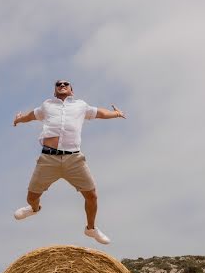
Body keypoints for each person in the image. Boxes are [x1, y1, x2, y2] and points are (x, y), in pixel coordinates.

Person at [12, 79, 126, 245]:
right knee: (31, 197)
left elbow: (99, 113)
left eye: (66, 84)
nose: (62, 85)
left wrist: (116, 113)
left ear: (71, 90)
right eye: (58, 84)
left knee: (92, 195)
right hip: (48, 159)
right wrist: (19, 120)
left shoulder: (80, 105)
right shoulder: (47, 105)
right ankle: (34, 209)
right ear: (55, 90)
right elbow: (31, 116)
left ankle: (91, 229)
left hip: (74, 159)